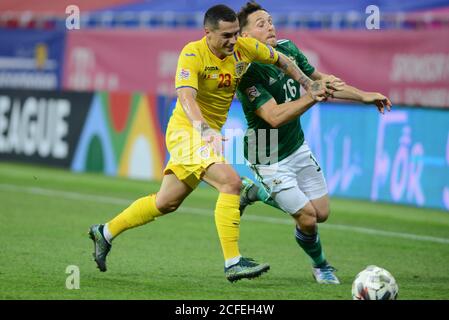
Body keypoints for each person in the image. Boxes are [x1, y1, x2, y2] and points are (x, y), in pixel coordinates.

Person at [88, 4, 341, 282]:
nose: (233, 41)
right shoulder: (192, 53)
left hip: (206, 135)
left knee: (166, 202)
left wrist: (308, 83)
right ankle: (233, 262)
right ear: (207, 33)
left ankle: (105, 232)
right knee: (230, 182)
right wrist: (205, 129)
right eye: (226, 36)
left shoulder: (244, 48)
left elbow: (282, 60)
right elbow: (186, 96)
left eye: (235, 34)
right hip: (187, 132)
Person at [236, 1, 392, 284]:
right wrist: (312, 95)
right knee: (306, 217)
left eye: (270, 20)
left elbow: (321, 81)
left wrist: (365, 95)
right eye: (261, 24)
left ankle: (253, 193)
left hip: (295, 144)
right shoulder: (246, 72)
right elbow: (273, 117)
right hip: (265, 150)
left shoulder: (288, 50)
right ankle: (322, 266)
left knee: (321, 213)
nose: (270, 25)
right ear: (245, 38)